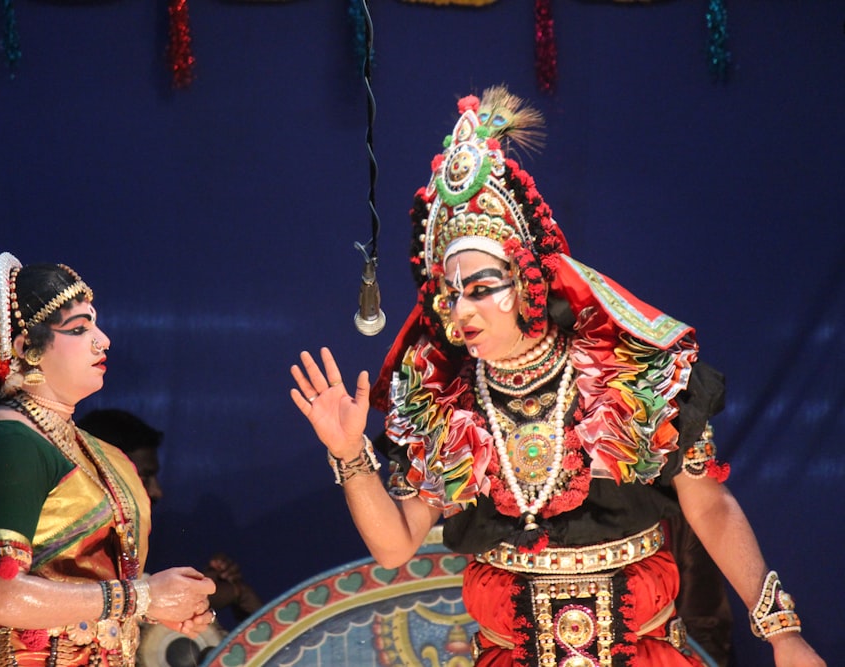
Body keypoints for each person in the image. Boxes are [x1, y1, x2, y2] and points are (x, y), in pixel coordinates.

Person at [290, 88, 825, 667]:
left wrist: (781, 631)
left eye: (481, 288)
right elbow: (394, 548)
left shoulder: (631, 374)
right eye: (450, 294)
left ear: (525, 281)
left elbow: (710, 507)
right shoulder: (444, 403)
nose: (462, 310)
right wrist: (349, 457)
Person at [0, 175, 216, 667]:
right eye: (80, 329)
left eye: (96, 324)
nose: (103, 340)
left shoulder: (81, 444)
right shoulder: (8, 441)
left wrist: (160, 604)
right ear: (27, 350)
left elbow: (79, 587)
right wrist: (142, 598)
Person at [75, 409, 263, 667]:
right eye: (145, 476)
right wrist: (224, 592)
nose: (157, 491)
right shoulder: (58, 558)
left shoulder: (121, 561)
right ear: (104, 473)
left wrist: (219, 591)